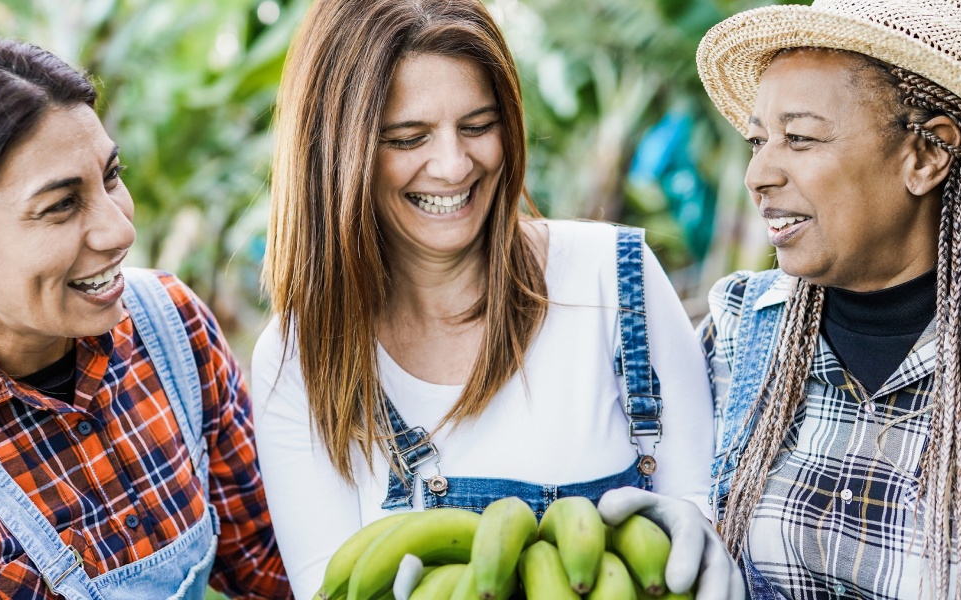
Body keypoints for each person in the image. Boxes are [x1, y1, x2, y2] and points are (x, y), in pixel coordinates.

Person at [250, 0, 715, 597]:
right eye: (408, 137)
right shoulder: (300, 360)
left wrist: (697, 528)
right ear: (337, 154)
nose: (453, 165)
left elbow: (703, 505)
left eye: (477, 126)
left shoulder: (617, 283)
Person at [621, 0, 961, 597]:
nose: (758, 173)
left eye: (800, 138)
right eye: (758, 140)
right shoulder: (743, 325)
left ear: (926, 154)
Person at [0, 37, 291, 599]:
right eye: (61, 205)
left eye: (112, 176)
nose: (120, 231)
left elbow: (271, 571)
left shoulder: (172, 327)